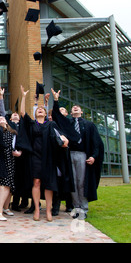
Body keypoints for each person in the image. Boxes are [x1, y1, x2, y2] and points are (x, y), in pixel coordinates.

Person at [51, 88, 104, 219]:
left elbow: (96, 142)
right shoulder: (67, 123)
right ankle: (77, 208)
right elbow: (56, 116)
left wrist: (93, 156)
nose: (75, 107)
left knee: (82, 182)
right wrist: (56, 100)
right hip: (69, 155)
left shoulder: (89, 125)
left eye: (77, 107)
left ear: (81, 111)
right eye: (73, 107)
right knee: (72, 182)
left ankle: (84, 209)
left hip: (82, 156)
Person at [19, 85, 69, 222]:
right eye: (38, 110)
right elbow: (22, 113)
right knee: (36, 182)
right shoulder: (32, 124)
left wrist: (64, 139)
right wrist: (23, 97)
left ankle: (48, 210)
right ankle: (36, 208)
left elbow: (60, 136)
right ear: (36, 113)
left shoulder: (51, 125)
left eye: (42, 109)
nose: (40, 110)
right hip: (35, 156)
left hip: (49, 157)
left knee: (49, 184)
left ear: (46, 113)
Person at [0, 115, 21, 221]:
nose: (1, 119)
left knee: (9, 185)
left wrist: (18, 151)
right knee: (3, 184)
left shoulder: (12, 131)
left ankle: (5, 208)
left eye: (3, 118)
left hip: (11, 160)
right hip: (1, 159)